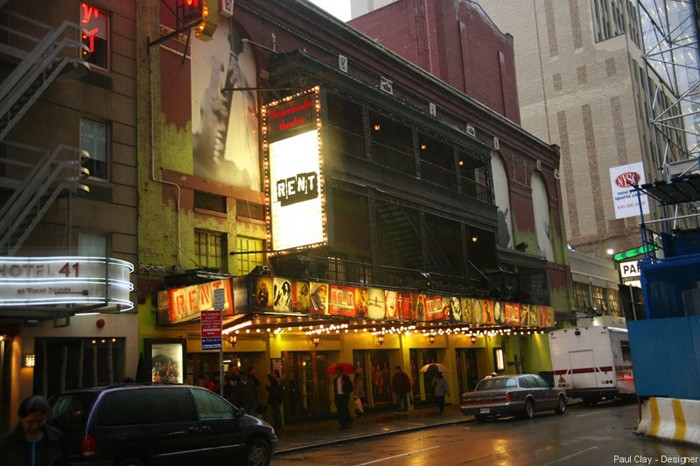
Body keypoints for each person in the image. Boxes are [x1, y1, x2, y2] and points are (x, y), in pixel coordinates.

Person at [0, 395, 68, 466]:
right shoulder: (7, 441)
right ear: (21, 419)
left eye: (40, 421)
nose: (35, 426)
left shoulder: (56, 438)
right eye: (30, 422)